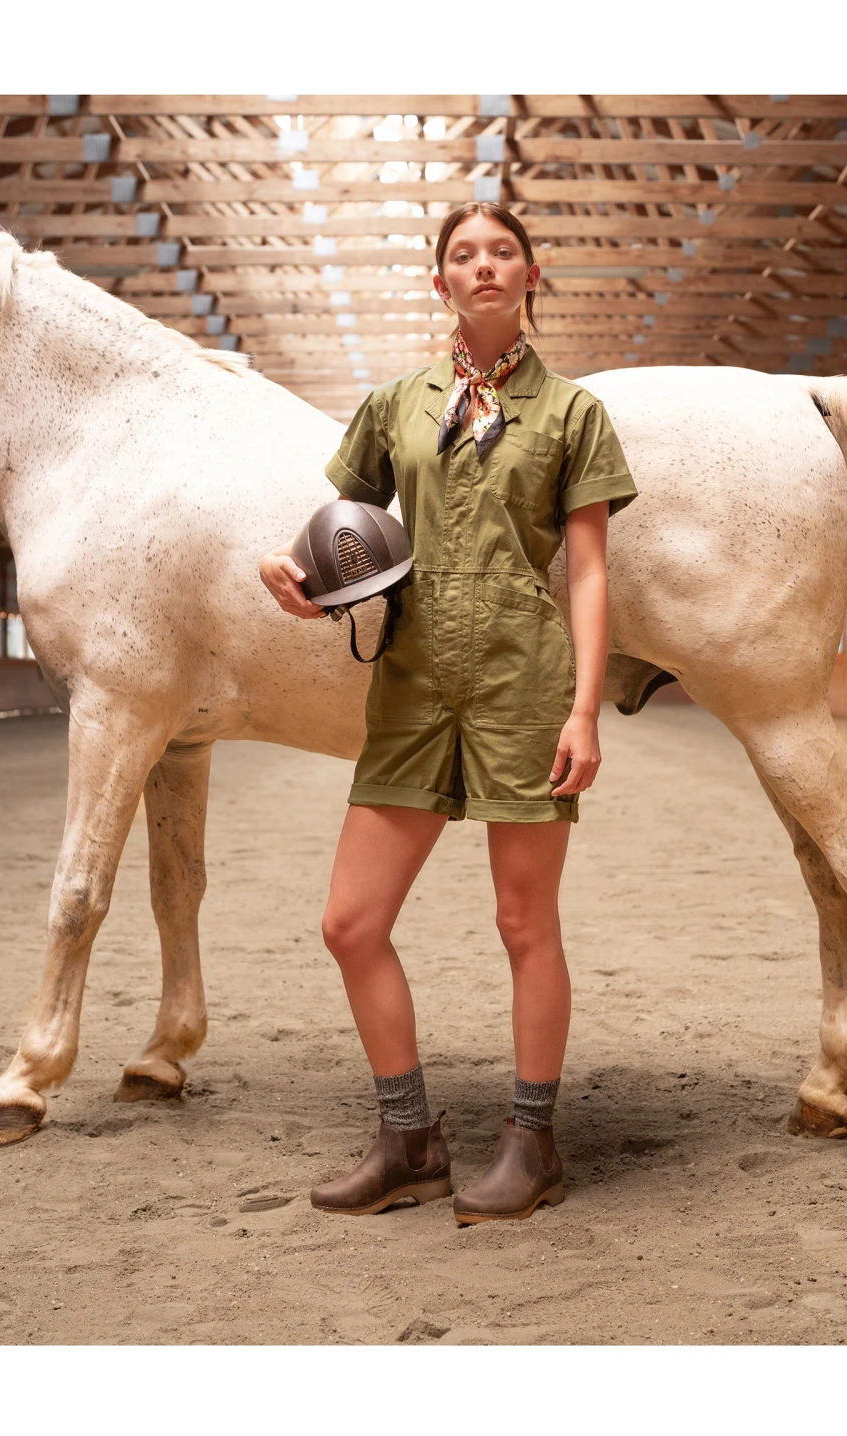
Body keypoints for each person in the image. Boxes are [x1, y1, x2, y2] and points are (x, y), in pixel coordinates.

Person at [259, 202, 637, 1224]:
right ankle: (409, 1141)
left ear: (531, 274)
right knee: (350, 923)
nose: (484, 267)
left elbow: (590, 571)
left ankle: (531, 1143)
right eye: (464, 255)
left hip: (522, 681)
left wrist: (584, 710)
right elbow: (335, 529)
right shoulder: (396, 405)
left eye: (503, 252)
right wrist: (286, 571)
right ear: (441, 283)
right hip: (414, 681)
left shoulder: (573, 414)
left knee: (523, 921)